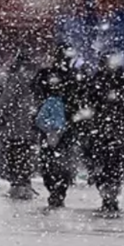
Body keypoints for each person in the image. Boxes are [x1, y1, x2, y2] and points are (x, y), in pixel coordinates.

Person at [86, 53, 124, 212]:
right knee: (109, 164)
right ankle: (109, 193)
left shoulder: (109, 79)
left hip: (110, 129)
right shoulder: (112, 79)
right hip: (109, 129)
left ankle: (109, 193)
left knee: (109, 164)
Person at [31, 44, 79, 209]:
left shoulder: (45, 74)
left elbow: (35, 93)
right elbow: (79, 102)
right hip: (66, 127)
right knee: (62, 161)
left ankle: (53, 189)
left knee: (48, 160)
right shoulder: (73, 77)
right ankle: (58, 191)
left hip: (48, 127)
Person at [0, 53, 38, 199]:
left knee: (13, 156)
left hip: (14, 127)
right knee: (26, 156)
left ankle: (17, 186)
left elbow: (5, 102)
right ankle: (26, 184)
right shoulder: (34, 80)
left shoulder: (15, 80)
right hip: (29, 126)